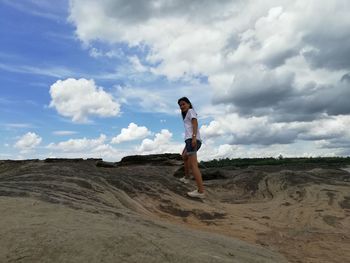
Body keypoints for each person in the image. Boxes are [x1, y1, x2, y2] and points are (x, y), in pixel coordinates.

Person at [177, 97, 205, 198]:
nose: (182, 106)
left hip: (192, 140)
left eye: (183, 104)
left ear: (189, 104)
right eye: (180, 105)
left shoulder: (191, 111)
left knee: (194, 165)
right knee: (184, 156)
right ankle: (187, 177)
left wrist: (193, 137)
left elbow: (195, 123)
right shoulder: (187, 114)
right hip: (189, 140)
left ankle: (201, 192)